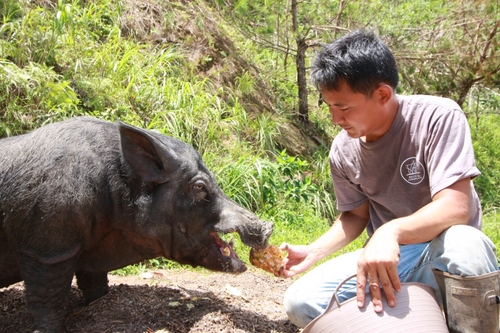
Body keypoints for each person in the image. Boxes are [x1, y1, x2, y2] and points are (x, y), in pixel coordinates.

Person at [279, 29, 499, 330]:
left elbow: (455, 208)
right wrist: (314, 251)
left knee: (467, 243)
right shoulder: (343, 150)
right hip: (389, 260)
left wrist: (390, 232)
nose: (334, 119)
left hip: (442, 252)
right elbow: (356, 215)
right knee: (302, 302)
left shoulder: (438, 117)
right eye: (328, 106)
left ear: (382, 94)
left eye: (343, 107)